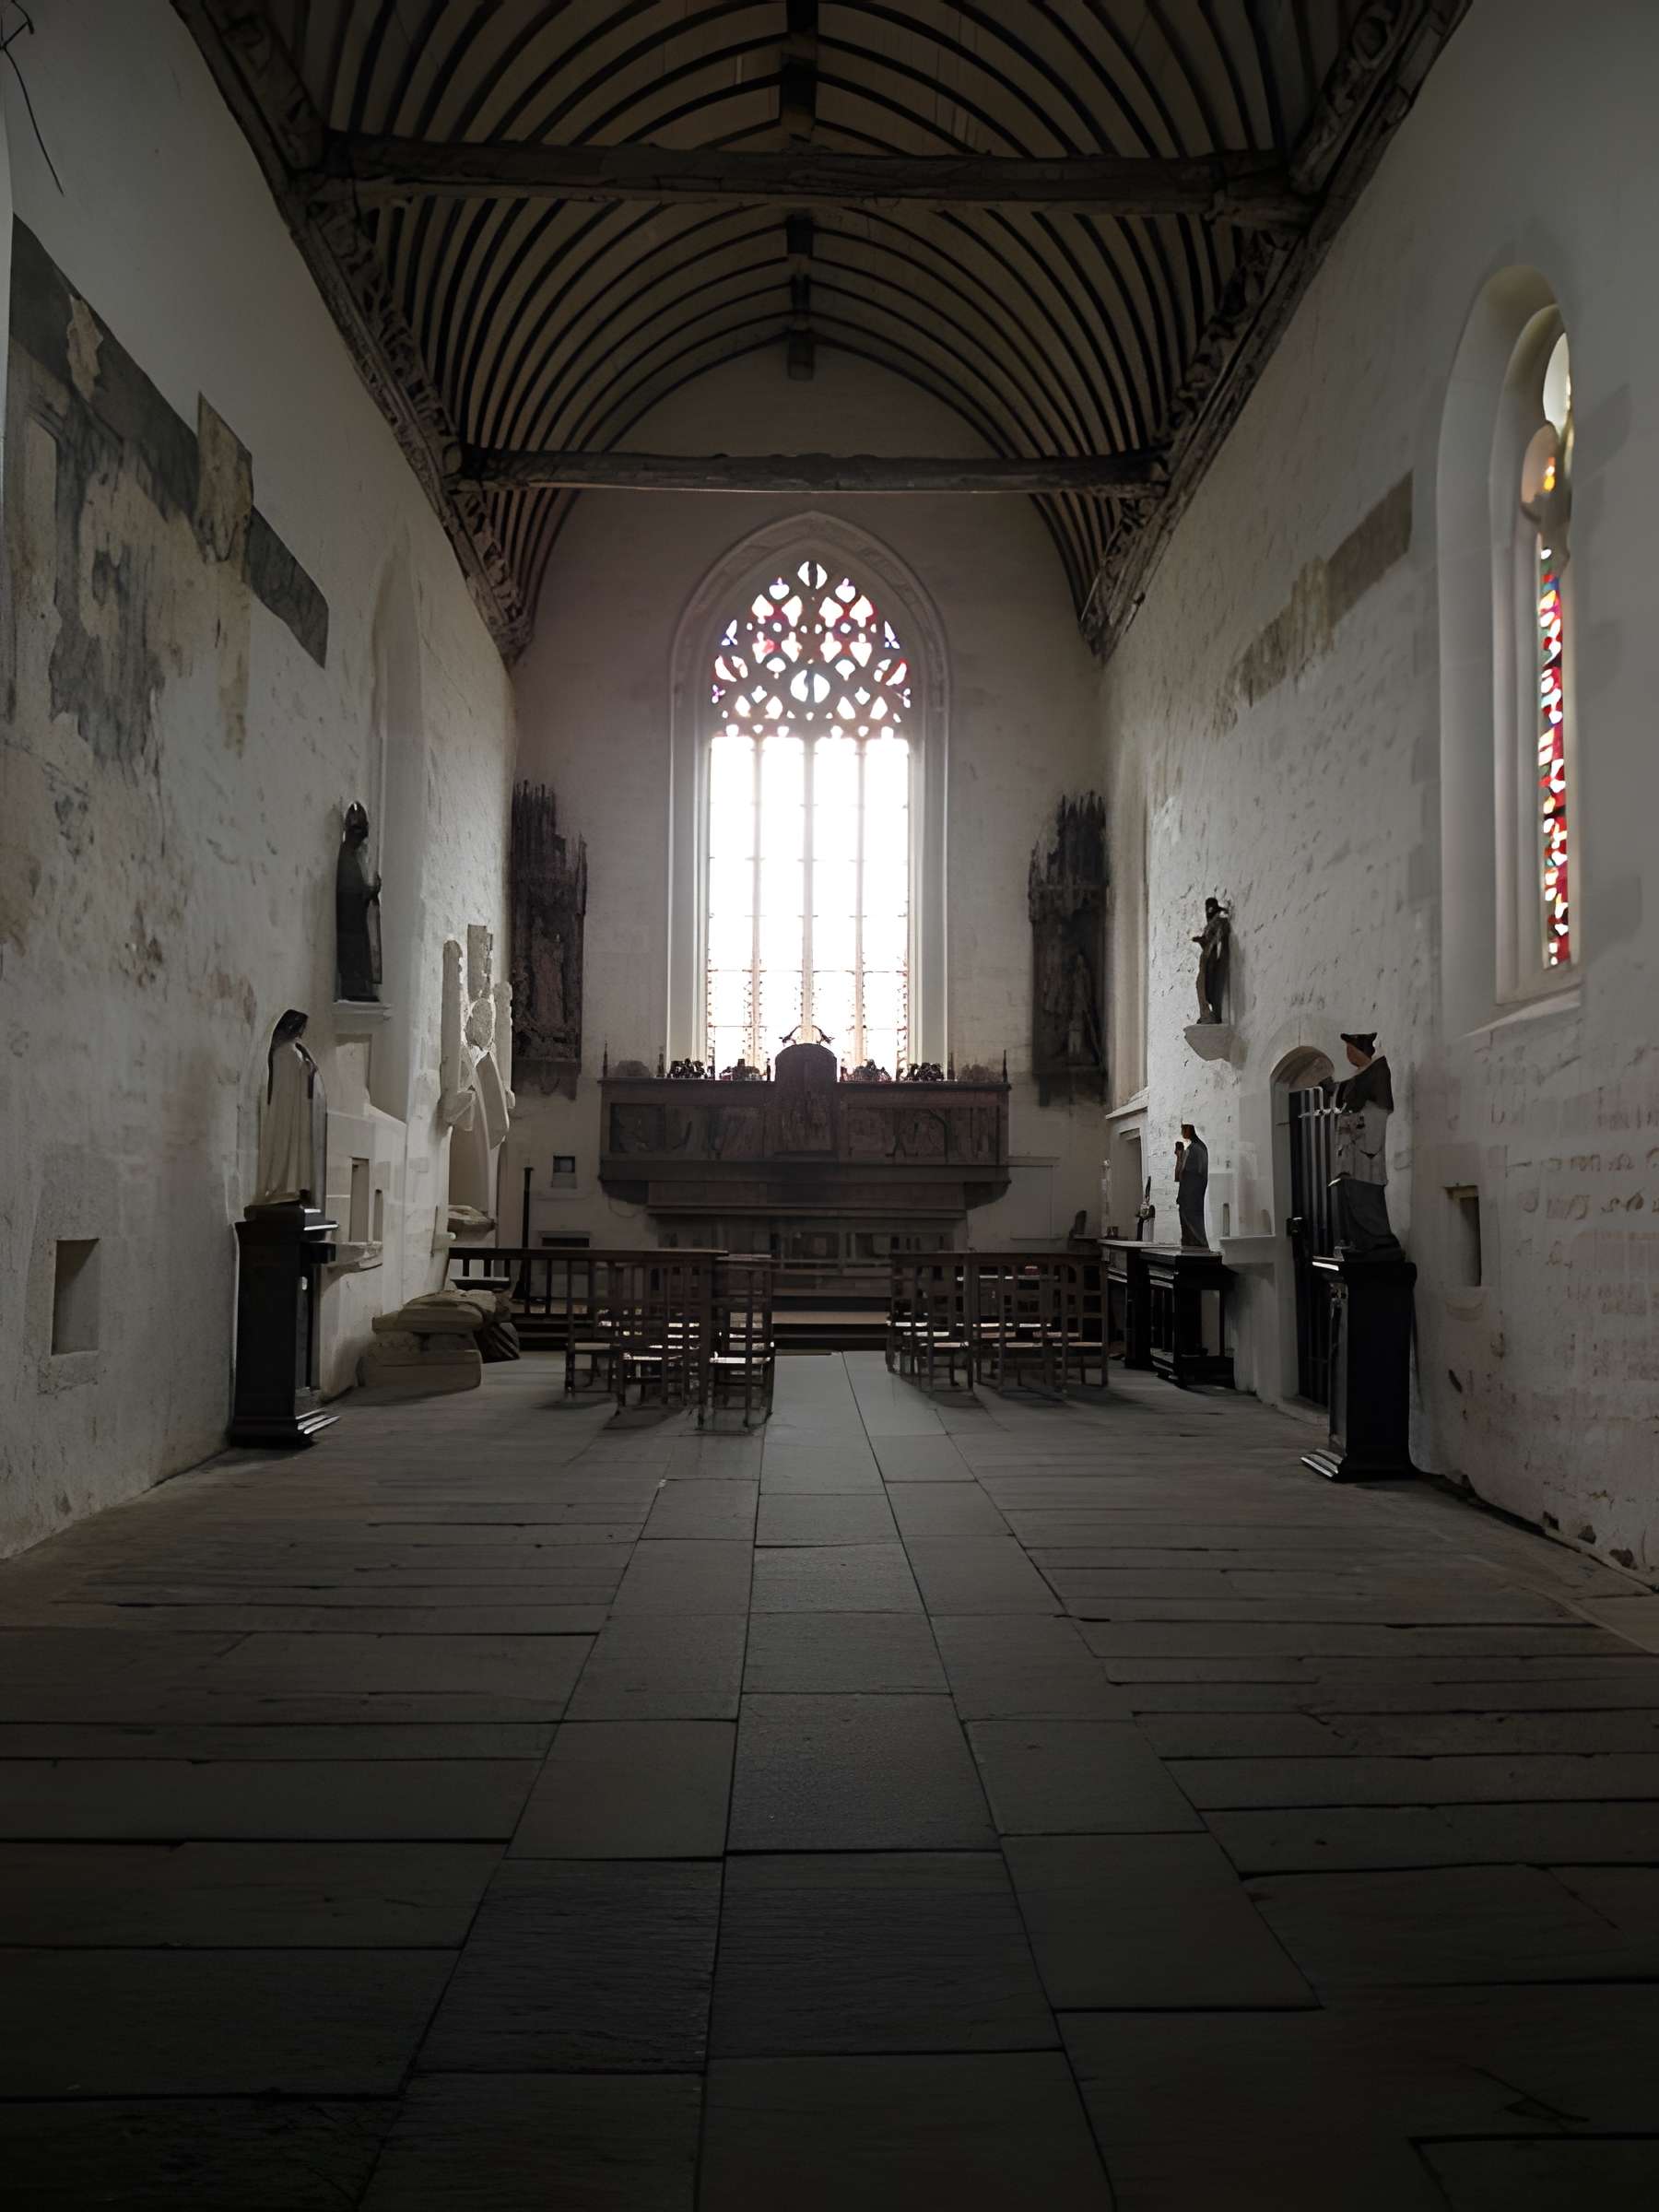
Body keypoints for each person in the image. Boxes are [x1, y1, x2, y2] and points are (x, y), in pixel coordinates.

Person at [1326, 1031, 1402, 1257]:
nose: (1348, 1055)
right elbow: (1346, 1099)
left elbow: (1379, 1112)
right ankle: (1360, 1241)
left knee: (1365, 1194)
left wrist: (1354, 1123)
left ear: (1362, 1051)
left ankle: (1378, 1240)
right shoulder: (1359, 1075)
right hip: (1350, 1151)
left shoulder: (1378, 1072)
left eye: (1351, 1050)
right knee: (1349, 1192)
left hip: (1365, 1151)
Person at [1174, 1122, 1209, 1248]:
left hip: (1190, 1197)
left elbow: (1179, 1175)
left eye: (1183, 1129)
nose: (1182, 1132)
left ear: (1189, 1128)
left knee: (1191, 1234)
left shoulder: (1193, 1149)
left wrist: (1179, 1156)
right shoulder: (1202, 1148)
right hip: (1196, 1195)